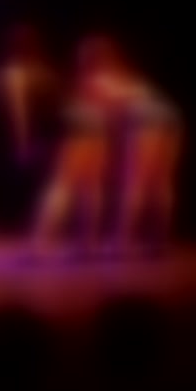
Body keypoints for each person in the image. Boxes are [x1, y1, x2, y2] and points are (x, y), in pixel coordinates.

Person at [28, 34, 123, 261]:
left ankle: (43, 242)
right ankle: (85, 244)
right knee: (88, 188)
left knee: (67, 184)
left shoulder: (88, 79)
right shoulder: (110, 81)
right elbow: (114, 114)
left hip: (82, 127)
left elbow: (94, 108)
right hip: (96, 130)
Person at [0, 23, 63, 234]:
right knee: (30, 183)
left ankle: (32, 225)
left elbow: (53, 112)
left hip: (29, 138)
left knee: (32, 184)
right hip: (25, 138)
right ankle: (29, 225)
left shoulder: (38, 76)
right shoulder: (42, 75)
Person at [110, 59, 183, 256]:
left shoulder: (99, 83)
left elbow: (115, 119)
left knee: (135, 183)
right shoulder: (136, 82)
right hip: (170, 118)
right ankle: (159, 239)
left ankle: (123, 240)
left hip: (146, 121)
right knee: (161, 183)